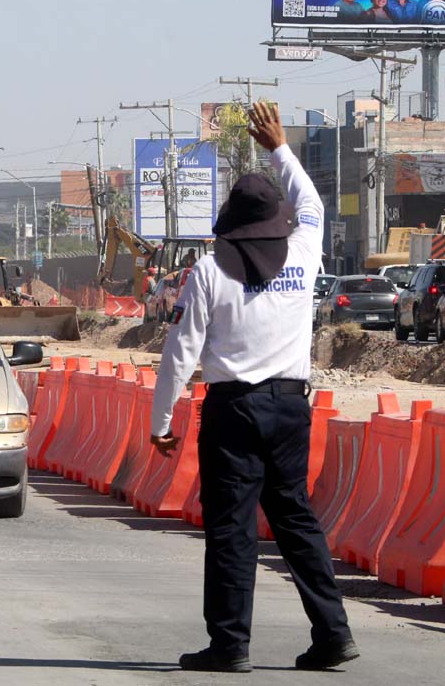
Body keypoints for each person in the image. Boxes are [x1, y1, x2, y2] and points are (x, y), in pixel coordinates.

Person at [150, 102, 356, 673]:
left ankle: (230, 645)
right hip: (291, 408)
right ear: (277, 218)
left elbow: (181, 351)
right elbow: (312, 202)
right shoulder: (306, 250)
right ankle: (333, 634)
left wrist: (161, 423)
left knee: (231, 528)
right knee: (295, 521)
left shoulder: (211, 270)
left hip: (232, 411)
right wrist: (279, 147)